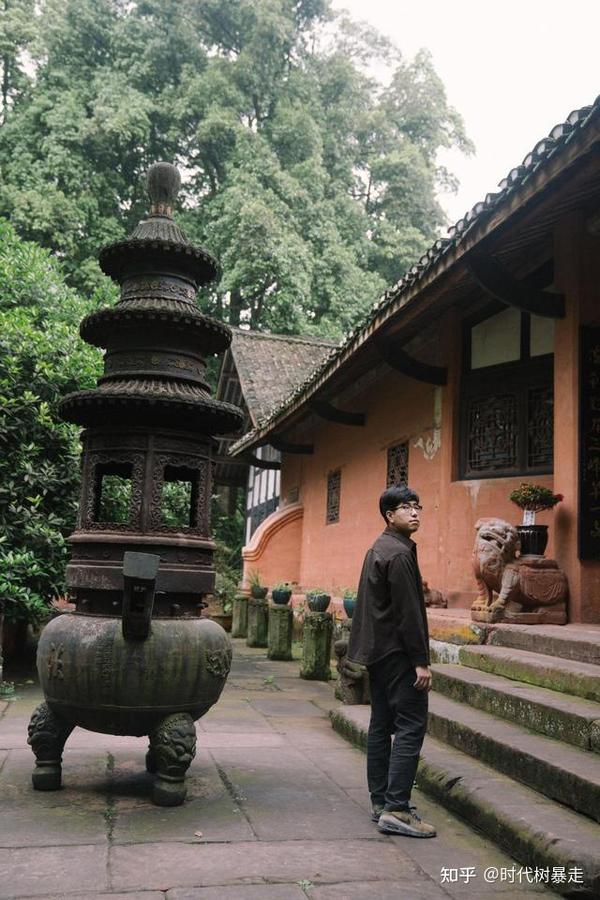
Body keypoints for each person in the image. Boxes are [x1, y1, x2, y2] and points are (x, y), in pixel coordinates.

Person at [347, 484, 436, 838]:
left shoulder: (381, 547)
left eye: (417, 506)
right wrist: (421, 661)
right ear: (389, 515)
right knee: (412, 724)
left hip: (378, 652)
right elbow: (408, 614)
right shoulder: (397, 554)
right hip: (398, 653)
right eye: (405, 508)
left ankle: (381, 802)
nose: (414, 512)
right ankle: (397, 808)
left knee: (382, 724)